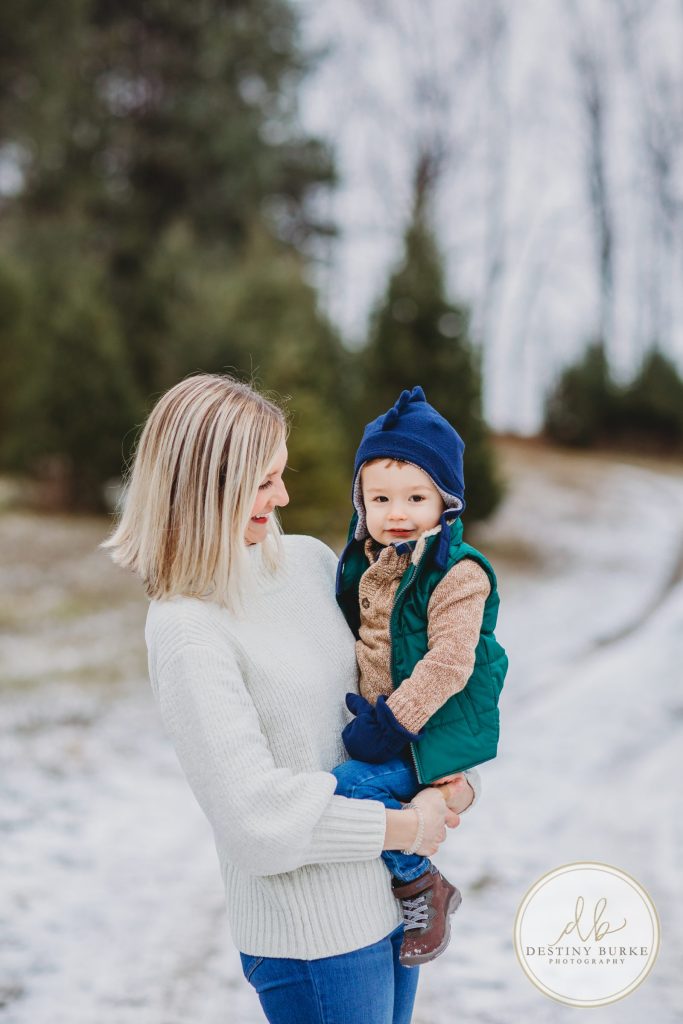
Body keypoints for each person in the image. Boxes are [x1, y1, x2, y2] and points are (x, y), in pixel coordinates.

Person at [102, 374, 480, 1024]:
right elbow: (254, 819)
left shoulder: (305, 562)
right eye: (263, 480)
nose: (283, 494)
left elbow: (391, 681)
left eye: (281, 473)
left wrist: (450, 783)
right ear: (204, 485)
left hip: (392, 903)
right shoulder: (186, 628)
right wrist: (402, 827)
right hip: (313, 939)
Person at [333, 386, 508, 968]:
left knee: (354, 789)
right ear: (361, 502)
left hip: (431, 726)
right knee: (360, 788)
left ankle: (421, 886)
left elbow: (449, 664)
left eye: (415, 497)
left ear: (446, 502)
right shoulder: (368, 559)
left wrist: (390, 724)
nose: (397, 513)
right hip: (392, 718)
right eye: (380, 498)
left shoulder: (457, 574)